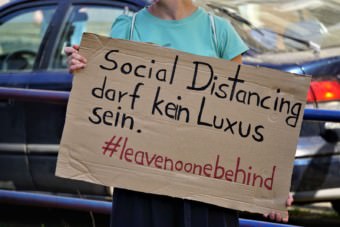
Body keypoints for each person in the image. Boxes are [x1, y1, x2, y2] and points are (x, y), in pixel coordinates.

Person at [65, 0, 293, 226]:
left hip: (205, 187)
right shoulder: (128, 27)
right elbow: (109, 97)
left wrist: (271, 184)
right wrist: (85, 68)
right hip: (140, 183)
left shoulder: (219, 31)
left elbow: (240, 118)